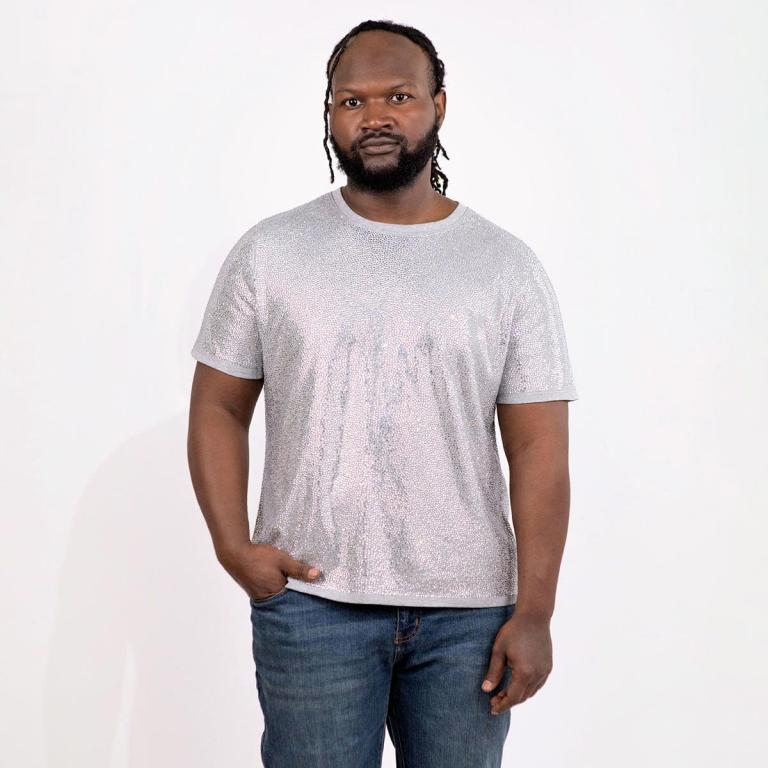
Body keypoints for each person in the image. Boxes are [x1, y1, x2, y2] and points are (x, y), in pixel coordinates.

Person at [187, 18, 578, 768]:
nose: (374, 117)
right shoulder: (271, 253)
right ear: (330, 114)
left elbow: (538, 450)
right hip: (312, 605)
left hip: (470, 617)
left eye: (398, 96)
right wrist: (234, 547)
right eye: (352, 101)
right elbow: (218, 406)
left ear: (438, 105)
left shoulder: (505, 267)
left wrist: (536, 611)